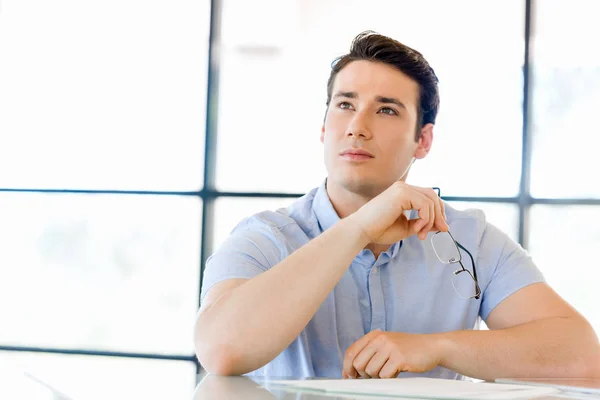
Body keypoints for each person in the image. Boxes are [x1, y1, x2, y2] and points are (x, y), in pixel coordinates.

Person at [194, 31, 600, 380]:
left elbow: (582, 357)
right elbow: (221, 351)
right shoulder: (264, 238)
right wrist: (358, 229)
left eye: (386, 109)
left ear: (423, 141)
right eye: (345, 104)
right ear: (324, 128)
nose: (358, 126)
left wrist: (437, 347)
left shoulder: (471, 242)